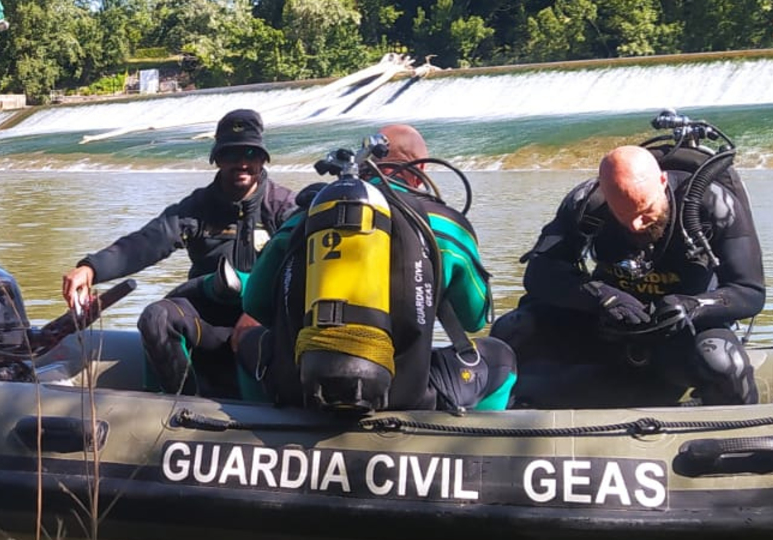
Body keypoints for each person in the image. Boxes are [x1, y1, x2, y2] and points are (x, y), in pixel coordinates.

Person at [232, 124, 515, 412]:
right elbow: (475, 319)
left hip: (299, 387)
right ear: (418, 172)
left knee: (250, 342)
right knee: (501, 357)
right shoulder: (446, 225)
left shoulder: (308, 215)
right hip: (406, 395)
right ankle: (476, 441)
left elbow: (255, 303)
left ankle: (264, 424)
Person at [490, 144, 765, 407]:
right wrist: (602, 296)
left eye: (645, 212)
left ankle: (745, 442)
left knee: (723, 360)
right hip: (606, 327)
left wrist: (690, 306)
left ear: (662, 181)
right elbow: (539, 274)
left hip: (680, 334)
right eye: (623, 213)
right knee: (512, 328)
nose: (635, 225)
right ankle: (497, 422)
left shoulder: (713, 205)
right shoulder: (587, 202)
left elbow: (749, 291)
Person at [62, 109, 297, 397]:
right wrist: (91, 269)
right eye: (231, 154)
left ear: (263, 158)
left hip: (265, 319)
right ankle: (182, 407)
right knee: (155, 317)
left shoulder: (284, 207)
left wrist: (260, 312)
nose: (242, 163)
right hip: (207, 315)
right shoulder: (197, 207)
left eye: (251, 153)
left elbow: (304, 266)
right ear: (217, 159)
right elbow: (147, 242)